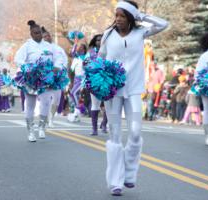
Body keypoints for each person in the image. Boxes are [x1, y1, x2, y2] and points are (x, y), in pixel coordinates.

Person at [99, 0, 168, 196]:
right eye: (117, 15)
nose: (118, 19)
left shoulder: (140, 33)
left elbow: (163, 24)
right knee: (115, 135)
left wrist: (142, 16)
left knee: (136, 132)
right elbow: (100, 59)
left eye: (123, 15)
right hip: (113, 92)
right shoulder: (108, 35)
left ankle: (129, 173)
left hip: (134, 89)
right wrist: (100, 84)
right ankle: (115, 182)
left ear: (130, 17)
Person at [14, 20, 64, 142]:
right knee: (30, 105)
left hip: (46, 78)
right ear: (31, 34)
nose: (38, 35)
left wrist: (57, 66)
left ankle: (42, 127)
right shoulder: (27, 46)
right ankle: (30, 131)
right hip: (31, 78)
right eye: (35, 33)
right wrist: (28, 67)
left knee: (46, 102)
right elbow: (18, 59)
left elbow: (58, 58)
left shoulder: (48, 46)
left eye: (39, 33)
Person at [42, 26, 68, 127]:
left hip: (58, 78)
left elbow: (64, 61)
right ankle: (44, 118)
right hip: (45, 78)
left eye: (48, 36)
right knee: (45, 100)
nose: (47, 37)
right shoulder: (40, 49)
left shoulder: (58, 49)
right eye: (45, 36)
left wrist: (62, 71)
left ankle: (51, 119)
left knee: (56, 99)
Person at [87, 34, 109, 135]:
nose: (99, 42)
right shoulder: (91, 52)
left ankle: (104, 124)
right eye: (97, 40)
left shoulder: (110, 50)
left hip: (108, 80)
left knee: (108, 105)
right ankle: (94, 129)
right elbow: (86, 66)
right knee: (95, 105)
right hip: (94, 81)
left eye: (101, 40)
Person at [67, 41, 87, 122]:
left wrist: (85, 81)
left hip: (82, 79)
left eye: (81, 47)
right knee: (76, 95)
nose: (79, 48)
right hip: (76, 79)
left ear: (84, 49)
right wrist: (75, 43)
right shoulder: (76, 57)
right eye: (79, 47)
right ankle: (77, 114)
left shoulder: (86, 58)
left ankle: (79, 108)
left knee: (73, 93)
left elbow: (88, 69)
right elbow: (72, 52)